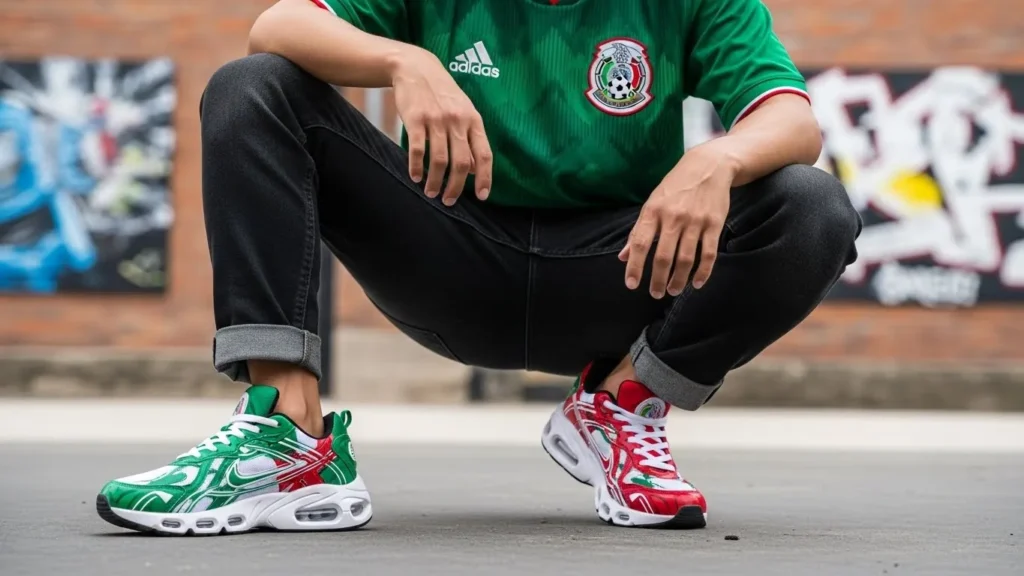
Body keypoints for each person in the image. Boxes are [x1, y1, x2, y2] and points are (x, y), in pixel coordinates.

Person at [96, 0, 860, 535]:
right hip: (449, 254)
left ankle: (623, 404)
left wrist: (721, 158)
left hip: (618, 276)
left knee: (811, 206)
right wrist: (404, 60)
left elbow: (792, 117)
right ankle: (290, 438)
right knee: (251, 86)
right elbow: (277, 24)